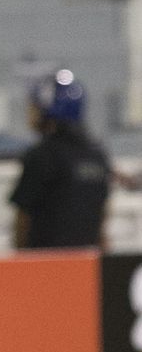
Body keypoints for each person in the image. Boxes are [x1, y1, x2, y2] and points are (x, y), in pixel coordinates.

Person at [8, 69, 111, 250]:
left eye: (34, 106)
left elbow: (23, 217)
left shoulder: (43, 155)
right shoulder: (97, 155)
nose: (30, 112)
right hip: (87, 262)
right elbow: (102, 216)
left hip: (47, 263)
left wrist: (21, 261)